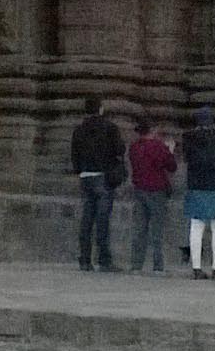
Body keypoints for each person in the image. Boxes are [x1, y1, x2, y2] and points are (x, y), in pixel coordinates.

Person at [69, 97, 124, 271]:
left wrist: (80, 170)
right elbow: (120, 150)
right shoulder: (109, 127)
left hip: (86, 176)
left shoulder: (78, 130)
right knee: (102, 220)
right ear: (100, 109)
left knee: (87, 219)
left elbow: (74, 155)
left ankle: (85, 259)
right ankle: (104, 260)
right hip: (103, 176)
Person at [180, 106, 215, 281]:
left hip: (196, 186)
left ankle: (196, 268)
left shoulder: (188, 140)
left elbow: (187, 159)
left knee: (196, 228)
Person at [126, 117, 178, 274]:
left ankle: (136, 265)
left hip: (139, 190)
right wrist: (170, 150)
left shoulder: (134, 148)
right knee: (157, 230)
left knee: (139, 229)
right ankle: (158, 265)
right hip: (157, 191)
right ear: (152, 131)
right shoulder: (158, 146)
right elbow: (172, 166)